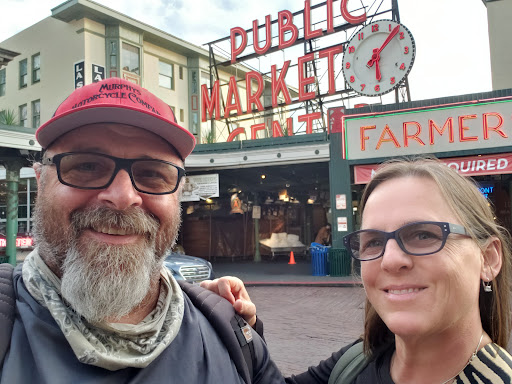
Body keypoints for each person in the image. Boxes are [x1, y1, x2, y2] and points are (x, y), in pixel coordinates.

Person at [0, 78, 284, 383]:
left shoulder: (225, 326)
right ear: (41, 183)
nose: (123, 198)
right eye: (86, 166)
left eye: (151, 173)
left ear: (176, 195)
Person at [202, 157, 512, 383]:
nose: (391, 260)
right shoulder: (357, 361)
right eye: (374, 241)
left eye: (423, 235)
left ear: (488, 259)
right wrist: (242, 328)